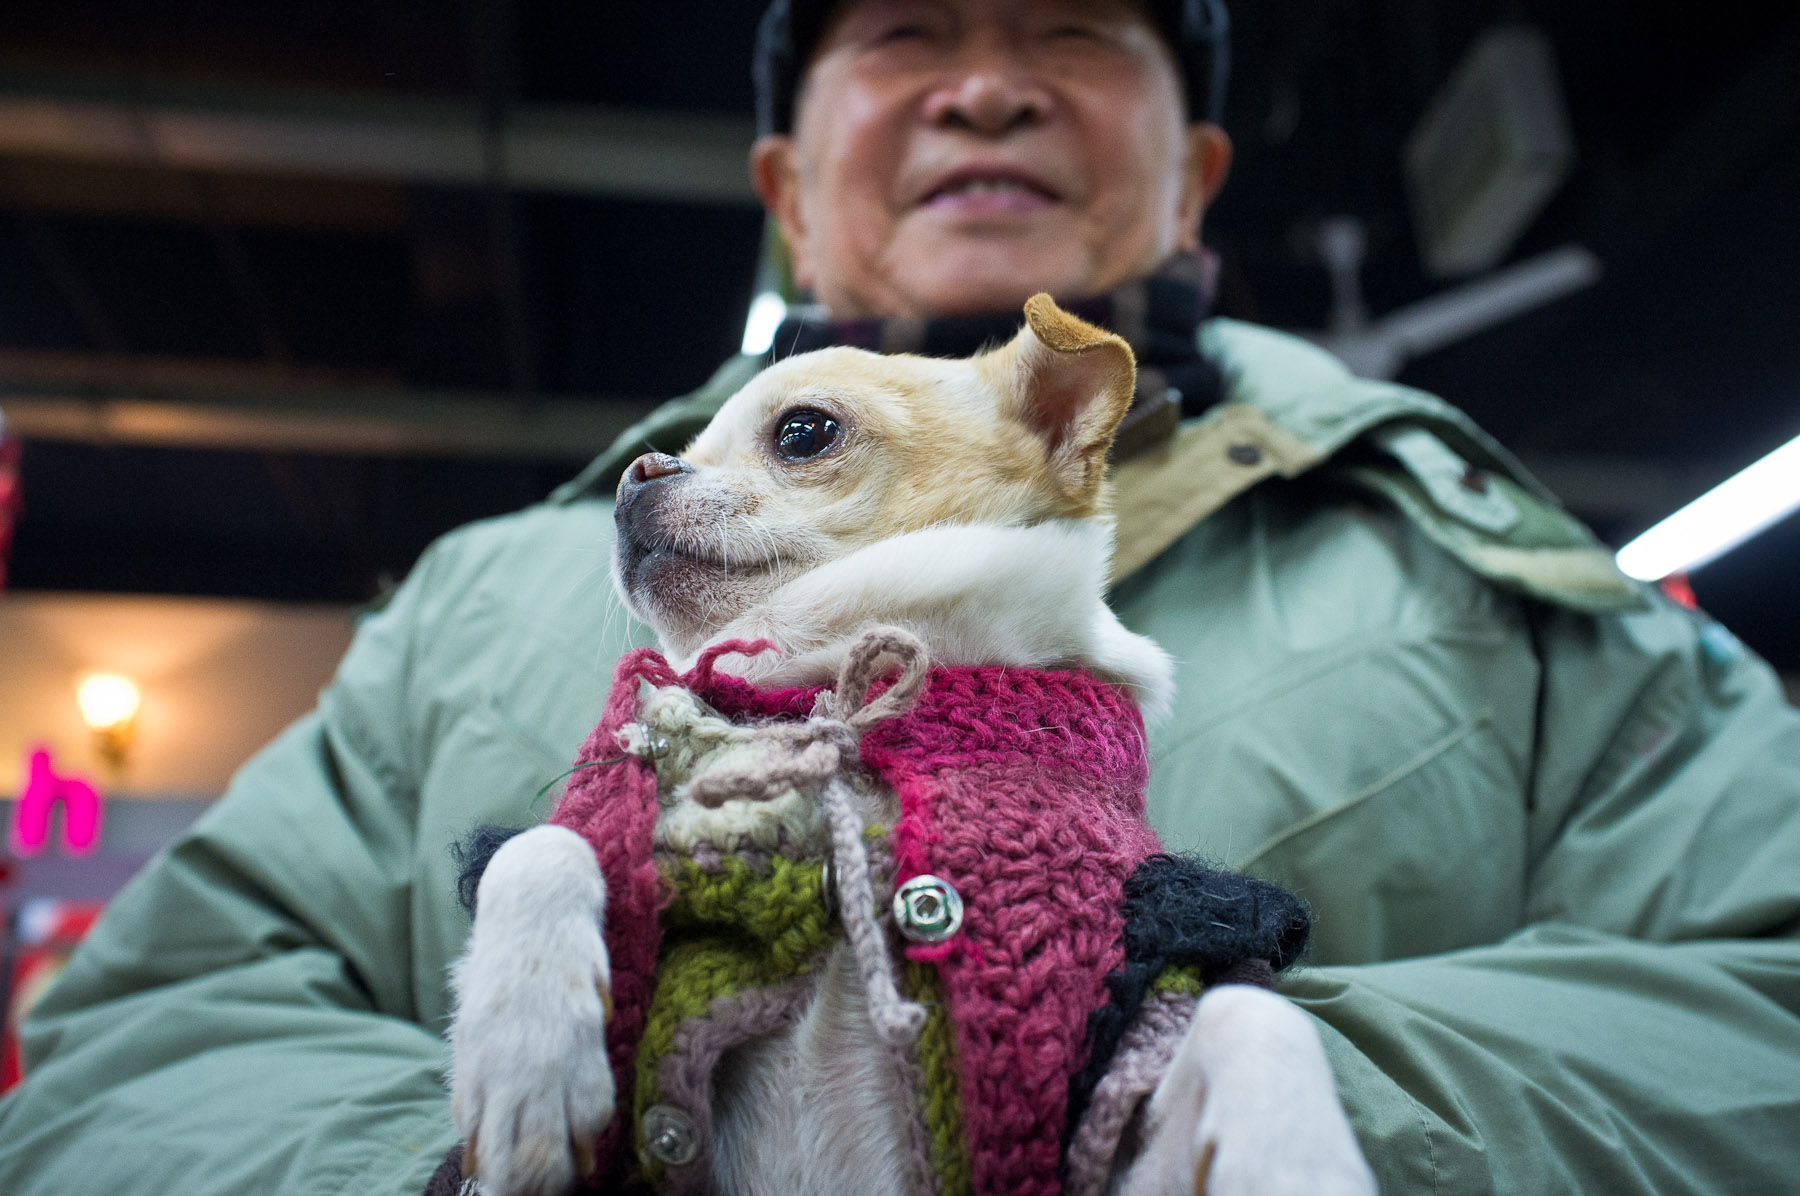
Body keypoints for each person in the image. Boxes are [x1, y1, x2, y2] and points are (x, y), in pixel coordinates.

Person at [3, 1, 1798, 1192]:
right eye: (910, 30)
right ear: (788, 192)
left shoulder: (1505, 579)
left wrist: (1233, 1112)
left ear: (1200, 187)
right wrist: (474, 1156)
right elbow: (133, 1047)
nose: (988, 83)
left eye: (1074, 32)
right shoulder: (487, 595)